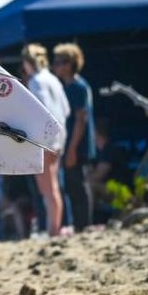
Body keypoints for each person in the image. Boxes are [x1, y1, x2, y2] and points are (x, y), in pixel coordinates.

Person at [21, 43, 70, 237]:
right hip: (59, 138)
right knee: (54, 187)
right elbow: (65, 109)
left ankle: (53, 229)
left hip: (45, 140)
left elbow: (42, 110)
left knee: (47, 190)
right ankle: (55, 227)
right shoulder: (54, 80)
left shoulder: (36, 82)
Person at [52, 43, 96, 231]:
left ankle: (84, 225)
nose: (56, 66)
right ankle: (79, 225)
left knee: (78, 186)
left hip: (77, 145)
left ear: (69, 64)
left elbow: (81, 120)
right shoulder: (70, 86)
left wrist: (72, 150)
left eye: (60, 62)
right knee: (72, 186)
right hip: (72, 144)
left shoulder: (78, 87)